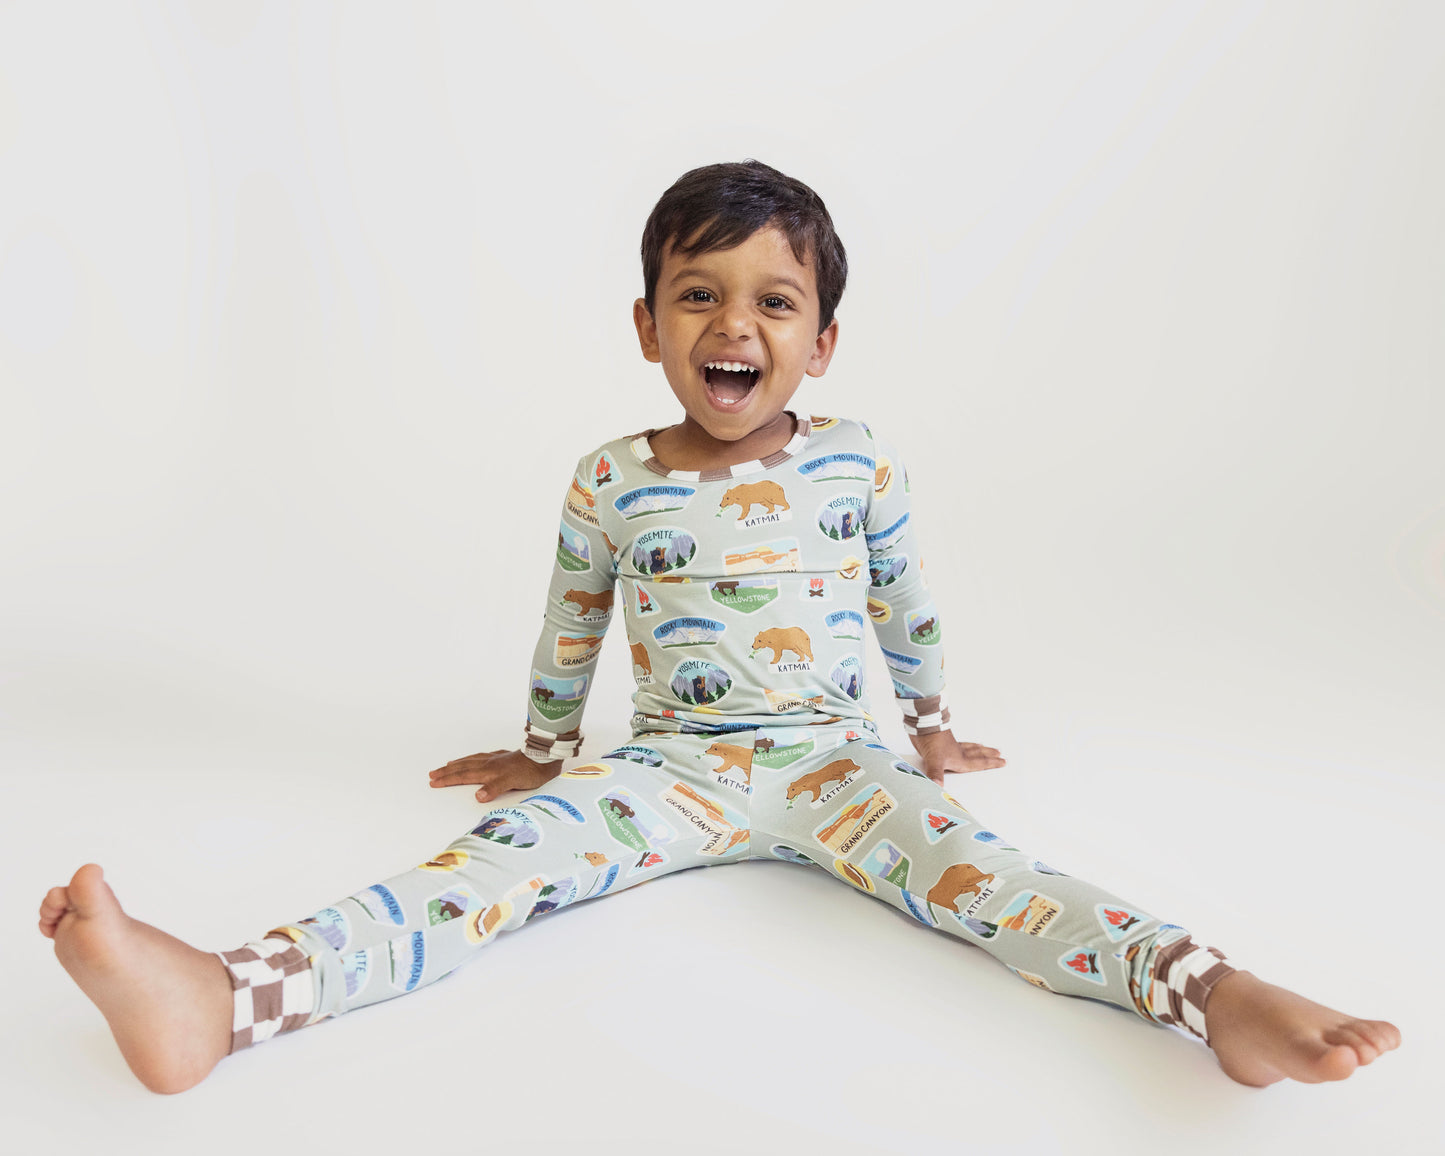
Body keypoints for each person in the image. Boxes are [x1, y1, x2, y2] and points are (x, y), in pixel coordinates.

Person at [39, 161, 1400, 1094]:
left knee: (1000, 888)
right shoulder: (610, 476)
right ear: (647, 324)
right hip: (664, 773)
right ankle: (226, 994)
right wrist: (542, 751)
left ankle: (1206, 994)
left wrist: (924, 729)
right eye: (698, 294)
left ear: (821, 341)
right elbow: (571, 616)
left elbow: (902, 603)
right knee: (484, 872)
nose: (732, 325)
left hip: (834, 767)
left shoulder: (857, 461)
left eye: (772, 301)